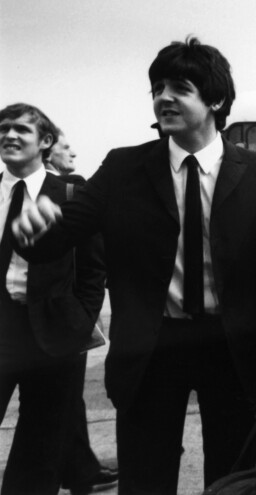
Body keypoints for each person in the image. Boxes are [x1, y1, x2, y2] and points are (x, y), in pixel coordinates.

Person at [12, 37, 256, 494]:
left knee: (233, 480)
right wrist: (34, 230)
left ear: (216, 99)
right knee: (145, 479)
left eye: (180, 87)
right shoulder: (124, 168)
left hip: (231, 348)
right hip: (152, 348)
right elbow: (59, 238)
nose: (164, 97)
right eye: (158, 87)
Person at [0, 103, 105, 495]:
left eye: (20, 130)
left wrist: (81, 321)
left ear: (45, 141)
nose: (9, 135)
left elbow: (94, 269)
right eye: (3, 128)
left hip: (55, 332)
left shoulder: (74, 194)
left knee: (40, 451)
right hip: (1, 327)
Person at [41, 127, 120, 494]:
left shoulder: (73, 188)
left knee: (66, 398)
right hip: (40, 319)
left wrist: (85, 314)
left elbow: (93, 261)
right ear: (45, 152)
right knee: (61, 401)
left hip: (66, 316)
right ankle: (77, 469)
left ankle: (78, 469)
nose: (72, 152)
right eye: (65, 146)